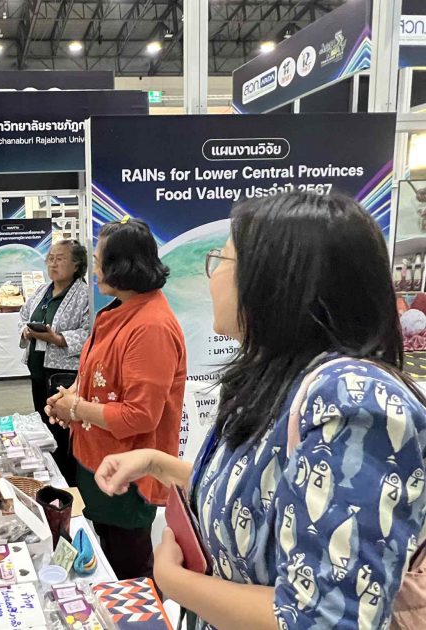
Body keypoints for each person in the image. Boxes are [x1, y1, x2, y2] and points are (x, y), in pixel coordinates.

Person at [93, 192, 426, 630]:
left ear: (276, 279)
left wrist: (173, 581)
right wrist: (157, 463)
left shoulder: (354, 401)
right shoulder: (279, 379)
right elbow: (264, 496)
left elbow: (323, 618)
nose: (212, 276)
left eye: (221, 260)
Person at [46, 218, 186, 579]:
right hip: (101, 460)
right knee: (106, 558)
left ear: (122, 266)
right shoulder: (117, 310)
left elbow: (140, 415)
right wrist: (70, 399)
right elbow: (97, 376)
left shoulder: (151, 326)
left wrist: (76, 408)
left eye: (98, 262)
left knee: (129, 570)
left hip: (128, 474)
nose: (94, 271)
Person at [19, 240, 91, 485]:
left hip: (64, 375)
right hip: (38, 370)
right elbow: (24, 315)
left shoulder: (84, 295)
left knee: (63, 431)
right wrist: (26, 330)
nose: (53, 263)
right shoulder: (43, 290)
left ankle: (69, 484)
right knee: (43, 425)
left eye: (60, 259)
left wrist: (58, 339)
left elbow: (90, 332)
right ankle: (50, 479)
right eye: (50, 258)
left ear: (77, 265)